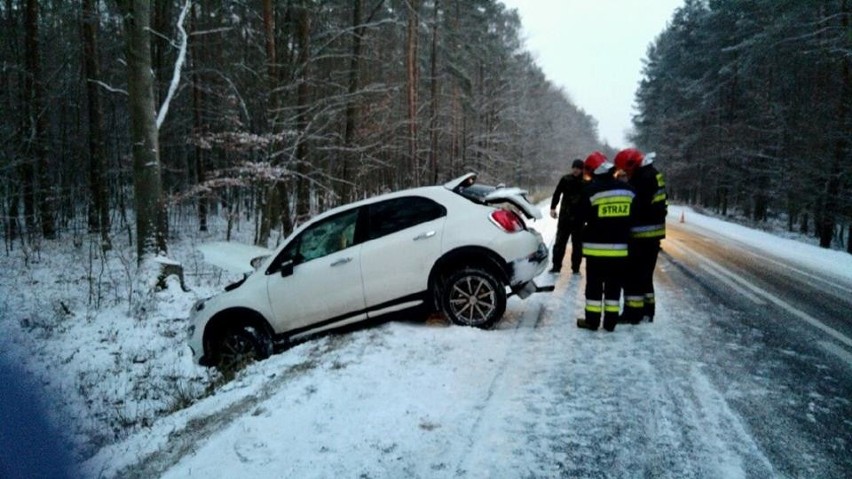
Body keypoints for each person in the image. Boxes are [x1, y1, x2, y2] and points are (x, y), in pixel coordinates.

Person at [576, 151, 635, 332]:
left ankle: (592, 322)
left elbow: (580, 217)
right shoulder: (629, 191)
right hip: (620, 250)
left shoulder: (590, 191)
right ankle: (610, 323)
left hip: (596, 250)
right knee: (614, 287)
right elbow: (635, 217)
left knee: (594, 287)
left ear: (594, 171)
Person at [614, 148, 668, 324]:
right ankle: (647, 310)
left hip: (641, 235)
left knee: (632, 275)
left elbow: (635, 206)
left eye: (626, 169)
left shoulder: (642, 178)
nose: (626, 173)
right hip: (653, 234)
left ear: (632, 164)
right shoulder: (652, 173)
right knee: (645, 276)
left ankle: (632, 313)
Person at [549, 158, 586, 274]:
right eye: (574, 168)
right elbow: (557, 193)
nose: (576, 170)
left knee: (578, 245)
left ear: (582, 169)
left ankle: (575, 267)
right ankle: (556, 266)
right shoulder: (565, 179)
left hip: (579, 218)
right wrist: (553, 208)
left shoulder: (586, 181)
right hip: (565, 217)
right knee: (560, 242)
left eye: (578, 168)